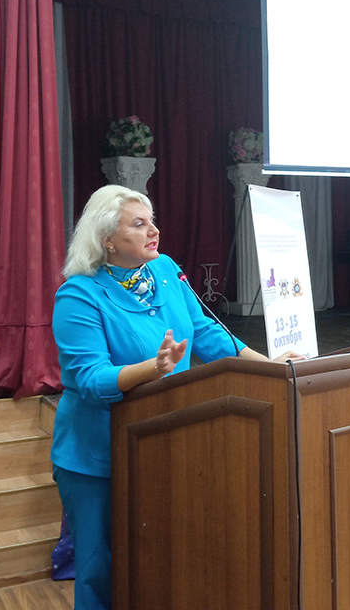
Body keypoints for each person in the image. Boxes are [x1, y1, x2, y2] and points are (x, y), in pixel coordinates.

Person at [51, 184, 304, 610]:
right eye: (139, 224)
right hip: (97, 457)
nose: (154, 231)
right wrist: (154, 367)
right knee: (100, 570)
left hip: (168, 443)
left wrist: (272, 369)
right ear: (107, 238)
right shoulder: (78, 295)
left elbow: (206, 332)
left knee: (162, 560)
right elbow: (91, 380)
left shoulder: (165, 269)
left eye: (151, 221)